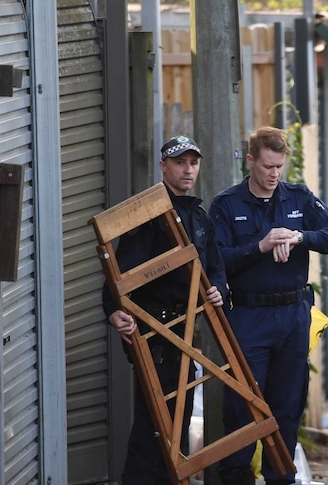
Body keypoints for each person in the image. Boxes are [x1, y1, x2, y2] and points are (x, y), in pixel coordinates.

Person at [209, 126, 328, 485]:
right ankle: (236, 478)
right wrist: (261, 245)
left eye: (279, 167)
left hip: (292, 315)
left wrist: (299, 237)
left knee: (287, 405)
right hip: (249, 315)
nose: (274, 174)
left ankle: (281, 478)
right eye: (268, 166)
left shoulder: (298, 197)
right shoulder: (227, 204)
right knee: (242, 405)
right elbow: (216, 260)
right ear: (250, 160)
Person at [103, 135, 228, 484]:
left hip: (186, 331)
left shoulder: (200, 217)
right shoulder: (148, 215)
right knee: (155, 424)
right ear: (163, 166)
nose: (188, 170)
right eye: (179, 163)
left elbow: (215, 268)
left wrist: (219, 290)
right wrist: (112, 310)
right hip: (153, 332)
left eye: (193, 163)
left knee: (180, 419)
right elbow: (119, 270)